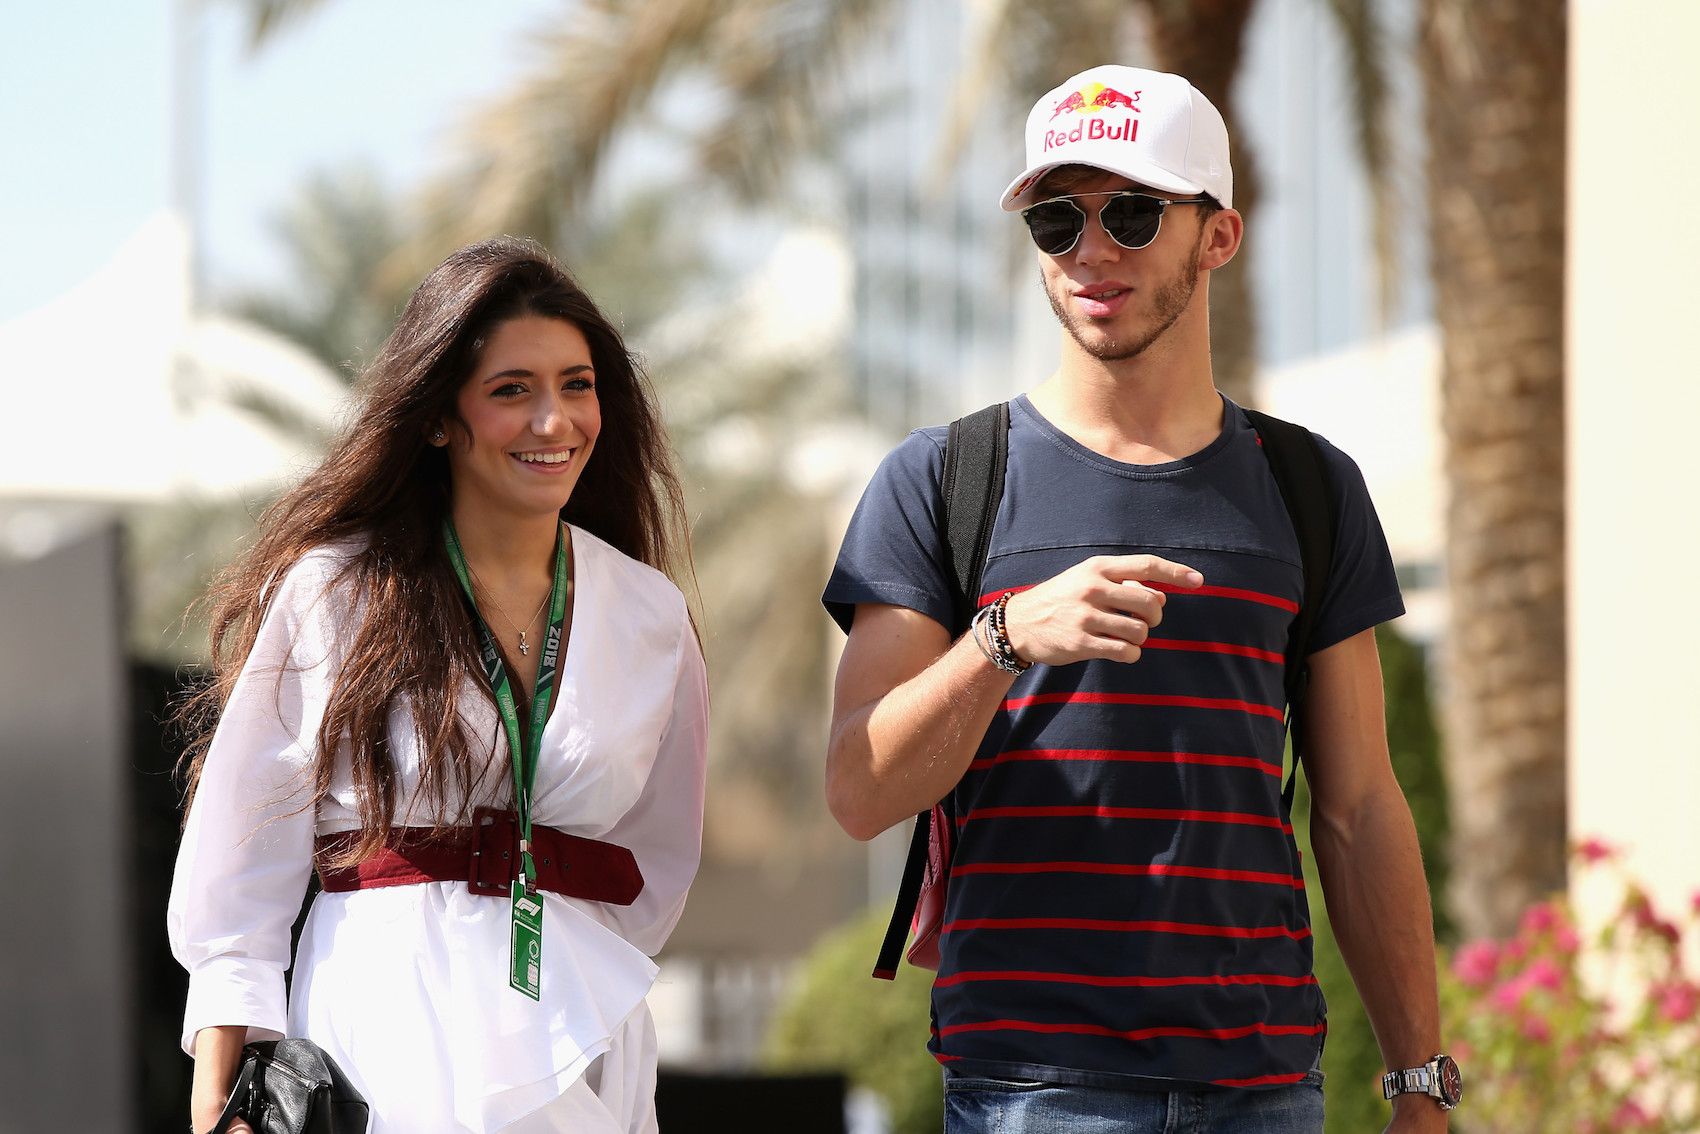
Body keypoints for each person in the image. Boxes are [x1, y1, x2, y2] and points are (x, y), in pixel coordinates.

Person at [822, 66, 1455, 1132]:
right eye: (1057, 221)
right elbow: (857, 790)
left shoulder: (1309, 486)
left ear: (1218, 236)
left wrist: (1418, 1083)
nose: (1090, 251)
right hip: (1034, 1090)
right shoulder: (942, 479)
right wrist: (1002, 638)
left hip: (1264, 1089)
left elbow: (1357, 809)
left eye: (1130, 214)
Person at [168, 238, 709, 1134]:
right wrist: (217, 1101)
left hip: (574, 1025)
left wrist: (559, 970)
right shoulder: (337, 589)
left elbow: (658, 858)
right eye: (512, 390)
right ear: (436, 418)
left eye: (577, 385)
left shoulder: (650, 612)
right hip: (383, 1013)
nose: (554, 421)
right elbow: (242, 855)